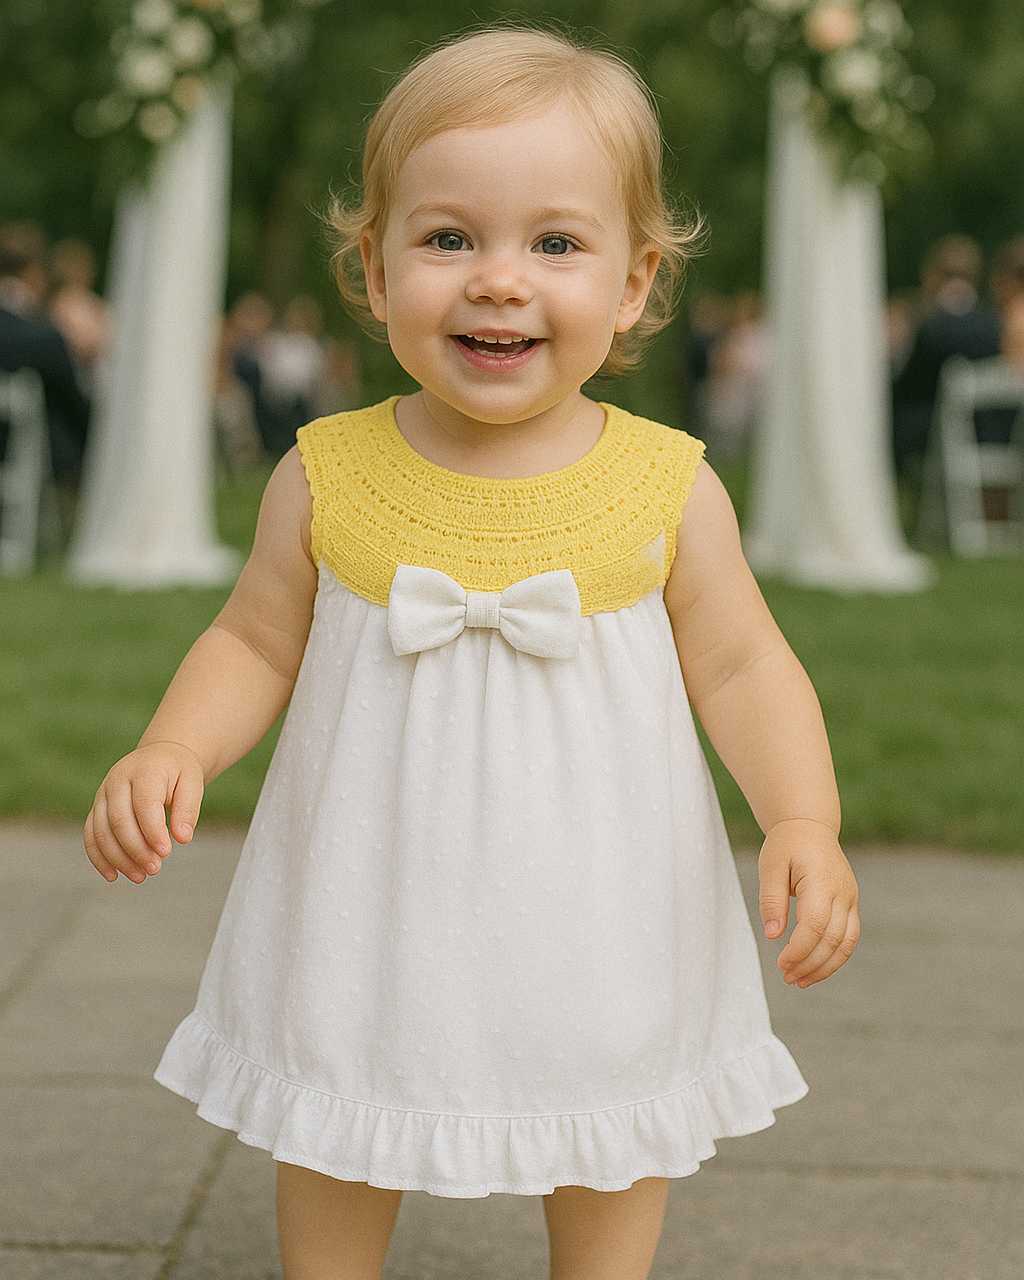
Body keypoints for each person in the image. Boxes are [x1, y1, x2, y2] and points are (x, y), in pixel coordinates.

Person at [84, 27, 858, 1280]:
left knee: (607, 1098)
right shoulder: (327, 469)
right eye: (448, 238)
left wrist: (802, 818)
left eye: (555, 242)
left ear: (631, 282)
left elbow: (743, 663)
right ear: (376, 274)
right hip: (369, 882)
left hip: (602, 890)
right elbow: (252, 635)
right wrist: (175, 743)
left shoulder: (666, 485)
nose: (498, 279)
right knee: (343, 1068)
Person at [892, 234, 1001, 480]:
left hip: (929, 428)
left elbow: (910, 384)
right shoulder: (991, 323)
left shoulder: (932, 326)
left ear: (934, 275)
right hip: (985, 430)